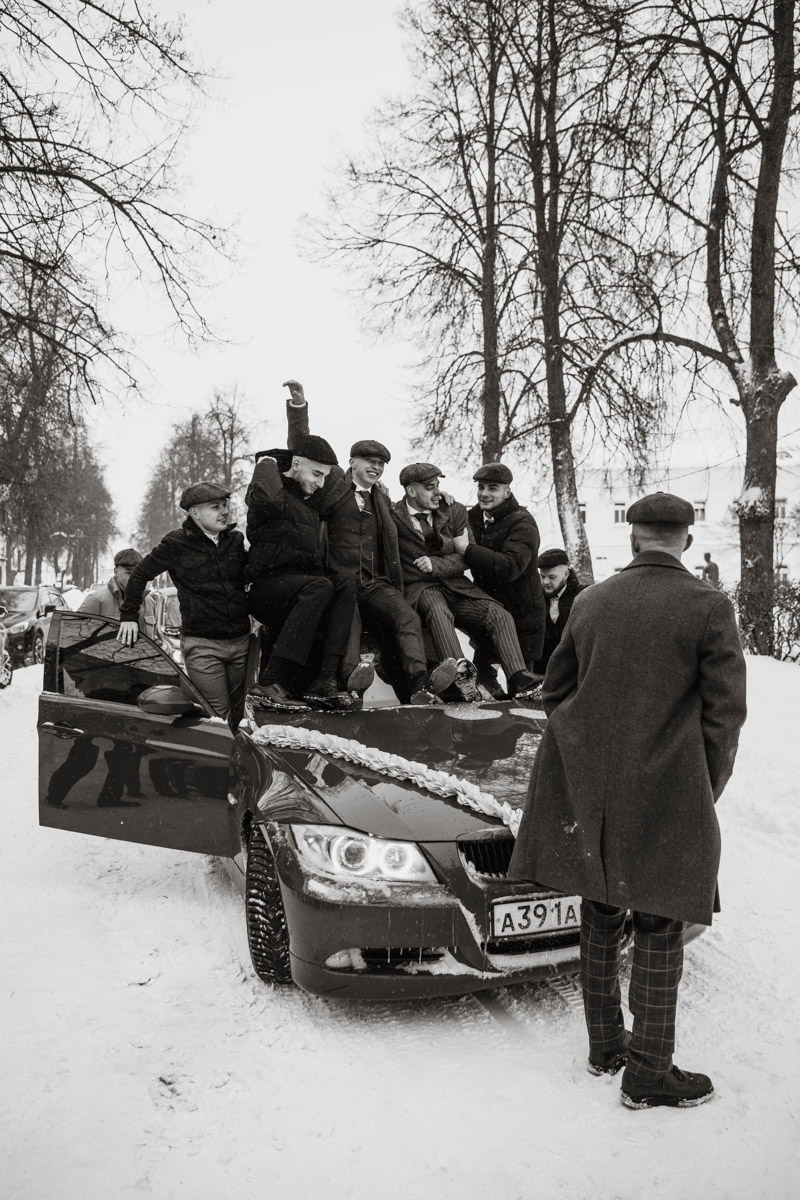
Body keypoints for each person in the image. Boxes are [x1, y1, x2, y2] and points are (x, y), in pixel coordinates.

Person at [509, 491, 747, 1110]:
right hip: (669, 784)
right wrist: (705, 784)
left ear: (634, 539)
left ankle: (603, 1047)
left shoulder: (590, 601)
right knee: (661, 920)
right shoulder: (708, 605)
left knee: (601, 910)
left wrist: (584, 753)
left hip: (591, 784)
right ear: (685, 542)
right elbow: (725, 715)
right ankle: (647, 1072)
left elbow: (555, 692)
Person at [281, 379, 458, 704]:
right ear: (351, 463)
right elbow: (302, 449)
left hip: (376, 583)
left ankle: (421, 685)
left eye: (380, 464)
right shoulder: (333, 484)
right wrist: (298, 409)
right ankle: (350, 684)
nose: (376, 467)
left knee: (408, 617)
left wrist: (442, 499)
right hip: (339, 579)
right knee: (348, 621)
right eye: (369, 462)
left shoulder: (383, 500)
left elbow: (416, 515)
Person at [392, 463, 542, 701]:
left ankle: (518, 676)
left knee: (498, 613)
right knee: (439, 612)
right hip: (422, 587)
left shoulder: (455, 510)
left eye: (438, 486)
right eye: (430, 487)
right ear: (411, 491)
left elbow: (464, 556)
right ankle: (461, 677)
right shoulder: (392, 515)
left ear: (507, 491)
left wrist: (436, 564)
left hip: (460, 586)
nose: (437, 492)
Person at [245, 435, 368, 711]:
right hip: (266, 589)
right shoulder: (265, 492)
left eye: (324, 476)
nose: (320, 483)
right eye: (316, 474)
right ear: (296, 463)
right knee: (320, 587)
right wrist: (266, 461)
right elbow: (268, 498)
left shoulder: (309, 504)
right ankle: (270, 681)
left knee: (345, 583)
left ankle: (325, 679)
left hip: (300, 588)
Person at [118, 482, 251, 730]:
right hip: (203, 647)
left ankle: (240, 766)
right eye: (216, 507)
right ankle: (220, 767)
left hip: (241, 642)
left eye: (225, 505)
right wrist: (128, 614)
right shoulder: (176, 544)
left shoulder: (234, 540)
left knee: (241, 713)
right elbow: (140, 574)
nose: (224, 512)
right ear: (195, 512)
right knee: (219, 719)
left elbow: (249, 578)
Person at [463, 462, 546, 697]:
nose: (485, 493)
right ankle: (499, 728)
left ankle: (529, 732)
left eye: (493, 488)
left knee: (524, 690)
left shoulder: (522, 522)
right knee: (484, 682)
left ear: (507, 492)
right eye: (481, 487)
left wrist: (468, 551)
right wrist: (444, 499)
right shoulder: (475, 517)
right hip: (491, 616)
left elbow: (510, 567)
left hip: (522, 619)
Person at [79, 547, 157, 640]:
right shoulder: (96, 600)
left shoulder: (149, 602)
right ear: (116, 572)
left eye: (139, 574)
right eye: (129, 573)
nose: (134, 578)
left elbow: (154, 640)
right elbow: (76, 636)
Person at [533, 547, 587, 675]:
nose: (545, 582)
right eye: (542, 576)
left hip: (574, 674)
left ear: (566, 574)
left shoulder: (583, 597)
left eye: (552, 577)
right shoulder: (534, 599)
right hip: (542, 675)